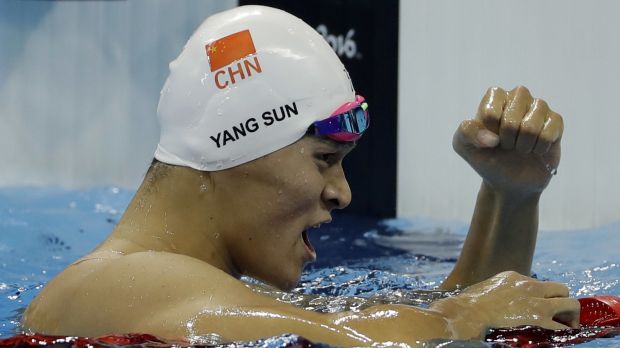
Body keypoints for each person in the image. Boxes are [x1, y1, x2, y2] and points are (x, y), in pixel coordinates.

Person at [22, 5, 577, 346]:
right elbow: (363, 340)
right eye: (324, 159)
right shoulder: (113, 286)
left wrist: (511, 196)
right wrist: (469, 315)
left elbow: (428, 324)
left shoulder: (210, 296)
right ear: (238, 147)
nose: (342, 193)